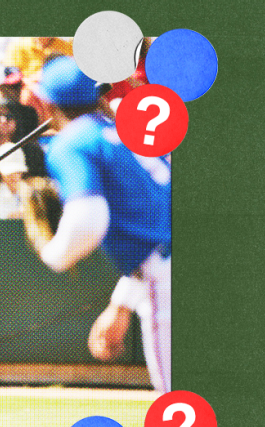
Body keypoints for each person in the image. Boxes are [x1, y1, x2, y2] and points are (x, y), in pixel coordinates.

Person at [29, 56, 171, 393]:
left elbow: (89, 219)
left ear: (47, 103)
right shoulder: (128, 130)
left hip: (163, 273)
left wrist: (54, 255)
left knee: (175, 399)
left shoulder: (73, 141)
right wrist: (121, 303)